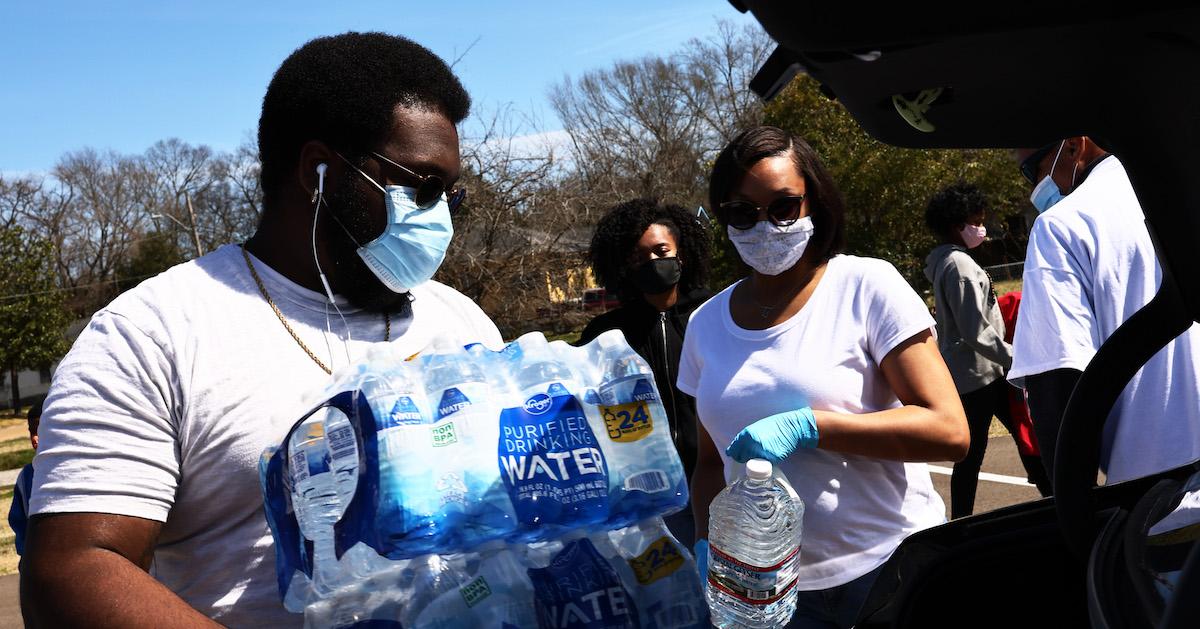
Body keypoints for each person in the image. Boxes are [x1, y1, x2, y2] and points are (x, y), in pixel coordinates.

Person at [23, 33, 503, 627]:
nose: (443, 216)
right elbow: (73, 568)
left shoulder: (459, 319)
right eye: (422, 188)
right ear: (317, 171)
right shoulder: (153, 335)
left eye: (451, 193)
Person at [681, 126, 969, 628]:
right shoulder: (706, 323)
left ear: (814, 202)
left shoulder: (865, 285)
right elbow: (709, 462)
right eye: (743, 213)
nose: (765, 226)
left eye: (783, 207)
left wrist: (812, 427)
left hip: (887, 569)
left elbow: (949, 432)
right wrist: (709, 542)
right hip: (770, 592)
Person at [1009, 136, 1200, 484]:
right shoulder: (1183, 192)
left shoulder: (1063, 225)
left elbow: (1058, 387)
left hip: (1159, 500)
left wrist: (1076, 521)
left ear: (1074, 146)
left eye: (1032, 169)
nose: (1036, 186)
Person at [576, 198, 713, 546]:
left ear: (681, 253)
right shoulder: (605, 335)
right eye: (638, 257)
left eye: (660, 250)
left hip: (719, 482)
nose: (652, 262)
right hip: (646, 498)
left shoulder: (714, 314)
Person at [922, 182, 1050, 518]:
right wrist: (1015, 357)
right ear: (955, 224)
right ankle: (962, 520)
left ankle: (1050, 490)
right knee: (979, 450)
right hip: (980, 376)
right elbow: (975, 329)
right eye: (975, 221)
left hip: (982, 372)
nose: (981, 228)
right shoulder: (959, 266)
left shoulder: (950, 262)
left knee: (1016, 437)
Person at [8, 399, 40, 560]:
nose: (35, 438)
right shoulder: (26, 476)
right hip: (34, 559)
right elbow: (18, 520)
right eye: (31, 431)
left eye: (40, 430)